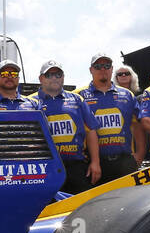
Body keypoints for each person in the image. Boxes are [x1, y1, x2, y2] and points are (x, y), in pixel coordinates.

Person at [32, 59, 100, 193]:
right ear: (41, 78)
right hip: (45, 169)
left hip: (77, 167)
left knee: (80, 209)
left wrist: (95, 162)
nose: (54, 78)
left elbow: (91, 131)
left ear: (63, 77)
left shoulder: (77, 99)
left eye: (58, 74)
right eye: (49, 75)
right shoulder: (30, 102)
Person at [79, 51, 138, 181]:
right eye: (98, 66)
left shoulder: (127, 94)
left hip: (125, 161)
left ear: (112, 69)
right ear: (91, 70)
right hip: (94, 164)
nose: (102, 69)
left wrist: (139, 155)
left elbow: (139, 125)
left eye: (106, 66)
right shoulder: (79, 95)